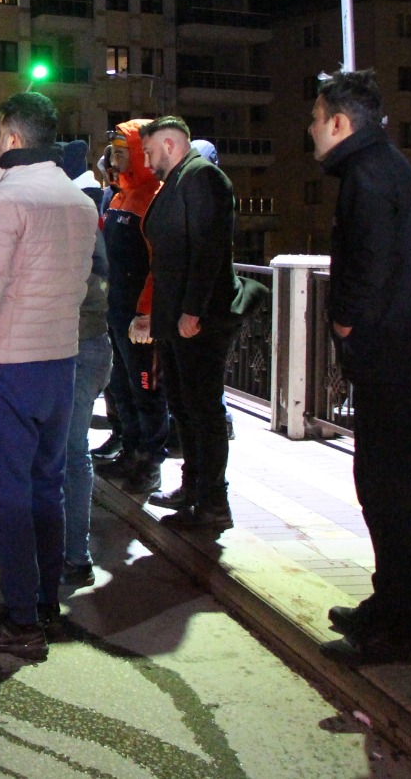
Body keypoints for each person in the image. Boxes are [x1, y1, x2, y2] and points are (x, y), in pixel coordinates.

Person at [0, 92, 97, 661]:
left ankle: (20, 619)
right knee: (45, 486)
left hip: (5, 368)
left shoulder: (0, 202)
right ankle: (42, 601)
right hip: (59, 364)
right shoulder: (80, 202)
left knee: (5, 493)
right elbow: (80, 286)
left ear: (9, 138)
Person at [310, 70, 411, 666]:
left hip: (393, 353)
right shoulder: (395, 167)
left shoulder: (365, 177)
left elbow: (368, 262)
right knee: (391, 487)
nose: (311, 132)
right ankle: (388, 604)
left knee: (386, 490)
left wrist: (344, 323)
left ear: (340, 124)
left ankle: (396, 623)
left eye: (316, 121)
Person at [129, 117, 240, 529]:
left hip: (198, 322)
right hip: (177, 321)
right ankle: (193, 488)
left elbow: (207, 249)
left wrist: (192, 310)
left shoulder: (202, 178)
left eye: (149, 150)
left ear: (171, 144)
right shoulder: (179, 180)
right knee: (184, 405)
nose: (145, 158)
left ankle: (212, 503)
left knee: (203, 409)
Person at [93, 121, 168, 491]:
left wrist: (147, 312)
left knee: (146, 390)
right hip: (116, 310)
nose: (114, 159)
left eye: (122, 152)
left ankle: (151, 461)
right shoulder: (120, 195)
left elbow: (158, 262)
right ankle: (131, 449)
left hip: (139, 316)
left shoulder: (152, 197)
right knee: (122, 386)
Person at [58, 139, 112, 588]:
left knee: (69, 452)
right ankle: (66, 553)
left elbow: (96, 280)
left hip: (77, 345)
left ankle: (73, 555)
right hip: (80, 344)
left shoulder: (75, 213)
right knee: (67, 452)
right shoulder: (81, 211)